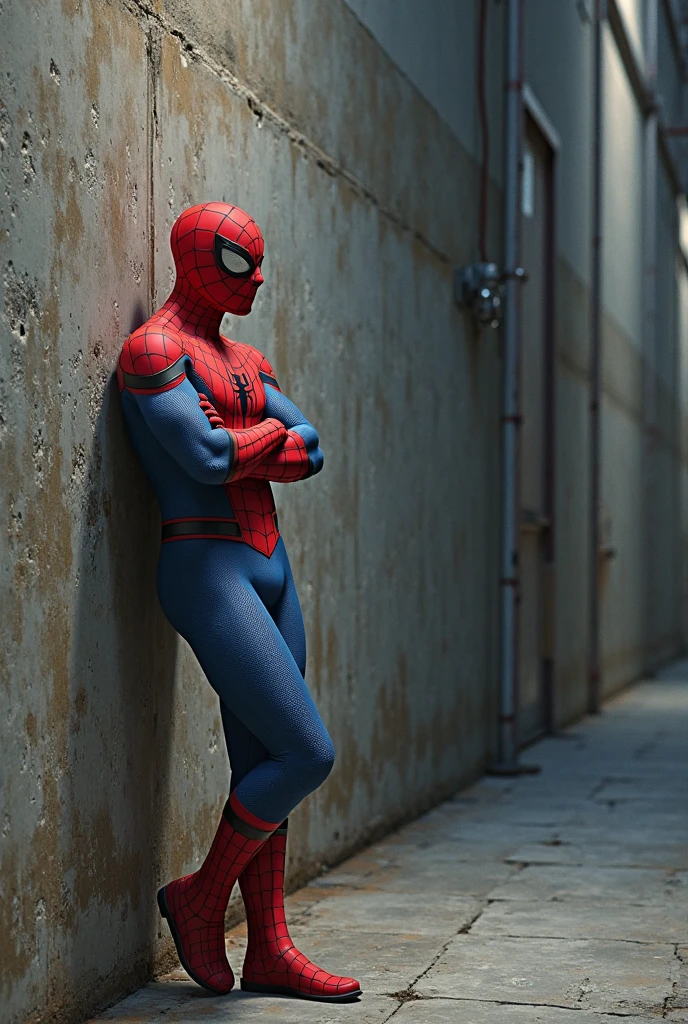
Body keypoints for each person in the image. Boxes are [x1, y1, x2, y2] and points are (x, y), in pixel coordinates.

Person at [117, 202, 360, 1003]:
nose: (255, 277)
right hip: (206, 566)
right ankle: (198, 900)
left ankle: (270, 948)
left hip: (268, 564)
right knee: (306, 753)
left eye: (259, 262)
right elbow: (205, 453)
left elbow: (312, 447)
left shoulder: (244, 357)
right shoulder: (153, 350)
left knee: (265, 761)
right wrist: (257, 440)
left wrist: (239, 436)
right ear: (192, 258)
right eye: (236, 260)